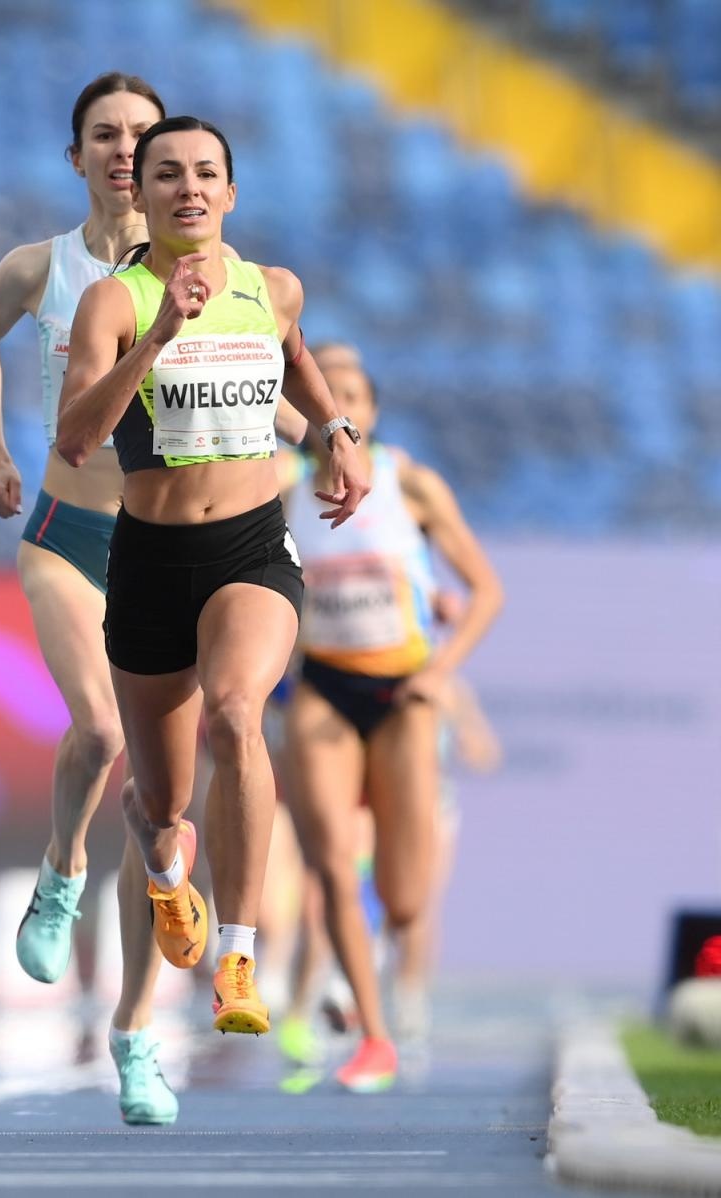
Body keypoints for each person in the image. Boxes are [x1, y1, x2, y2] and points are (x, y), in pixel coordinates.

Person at [55, 115, 369, 1041]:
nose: (187, 188)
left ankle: (239, 953)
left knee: (237, 712)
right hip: (150, 563)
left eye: (205, 173)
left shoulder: (270, 289)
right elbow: (75, 438)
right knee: (161, 806)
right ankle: (165, 876)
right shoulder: (113, 305)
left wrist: (335, 434)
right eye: (166, 174)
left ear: (231, 193)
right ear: (138, 194)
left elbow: (300, 359)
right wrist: (155, 338)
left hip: (249, 551)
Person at [0, 71, 181, 1126]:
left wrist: (322, 438)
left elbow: (253, 381)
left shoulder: (198, 276)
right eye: (105, 134)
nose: (124, 149)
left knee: (164, 805)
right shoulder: (37, 268)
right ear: (77, 156)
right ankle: (59, 872)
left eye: (142, 133)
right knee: (95, 735)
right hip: (63, 532)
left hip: (167, 548)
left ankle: (134, 1034)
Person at [281, 345, 503, 1090]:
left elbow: (485, 593)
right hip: (324, 690)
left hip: (402, 694)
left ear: (370, 413)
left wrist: (438, 674)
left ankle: (380, 971)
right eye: (322, 393)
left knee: (406, 900)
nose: (336, 406)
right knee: (332, 867)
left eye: (351, 395)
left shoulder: (411, 484)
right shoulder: (281, 486)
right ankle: (371, 1035)